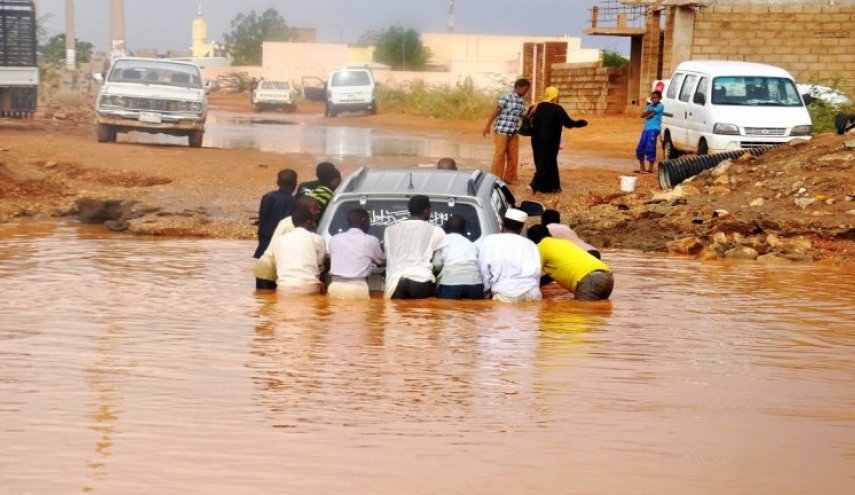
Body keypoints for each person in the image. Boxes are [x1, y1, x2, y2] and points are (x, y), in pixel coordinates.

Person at [382, 195, 446, 299]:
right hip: (421, 281)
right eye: (430, 209)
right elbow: (438, 262)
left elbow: (388, 255)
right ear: (425, 210)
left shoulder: (389, 231)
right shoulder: (436, 231)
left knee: (397, 315)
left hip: (395, 282)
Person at [527, 225, 614, 301]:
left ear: (532, 240)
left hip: (589, 280)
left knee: (583, 315)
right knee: (599, 314)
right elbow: (554, 274)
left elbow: (533, 274)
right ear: (550, 234)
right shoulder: (565, 242)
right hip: (607, 277)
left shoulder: (540, 247)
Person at [527, 86, 588, 194]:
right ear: (555, 96)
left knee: (542, 161)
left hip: (536, 140)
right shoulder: (556, 108)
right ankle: (534, 185)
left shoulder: (535, 106)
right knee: (547, 163)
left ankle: (552, 186)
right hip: (550, 141)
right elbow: (569, 123)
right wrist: (581, 123)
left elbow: (528, 120)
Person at [254, 195, 322, 290]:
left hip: (265, 265)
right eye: (315, 208)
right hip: (270, 268)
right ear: (304, 210)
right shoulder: (296, 225)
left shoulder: (287, 220)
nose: (318, 211)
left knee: (267, 301)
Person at [475, 208, 541, 303]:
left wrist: (486, 293)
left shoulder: (490, 241)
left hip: (505, 295)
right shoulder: (531, 245)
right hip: (532, 293)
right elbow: (537, 273)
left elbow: (484, 270)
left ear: (502, 224)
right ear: (522, 228)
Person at [327, 208, 386, 299]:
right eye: (369, 221)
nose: (369, 225)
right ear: (363, 220)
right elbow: (381, 261)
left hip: (335, 287)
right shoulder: (371, 240)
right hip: (357, 288)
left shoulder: (335, 239)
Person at [269, 204, 327, 296]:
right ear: (308, 222)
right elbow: (320, 262)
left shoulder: (279, 241)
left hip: (284, 287)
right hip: (309, 287)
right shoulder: (317, 239)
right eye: (313, 222)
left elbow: (277, 264)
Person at [483, 78, 531, 184]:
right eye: (525, 89)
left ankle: (510, 177)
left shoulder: (522, 101)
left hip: (513, 132)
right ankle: (495, 177)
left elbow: (523, 115)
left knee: (513, 156)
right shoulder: (506, 97)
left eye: (528, 90)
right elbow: (496, 111)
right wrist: (487, 126)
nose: (526, 92)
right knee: (499, 155)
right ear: (518, 88)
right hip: (502, 131)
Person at [432, 214, 484, 300]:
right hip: (475, 283)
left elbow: (437, 264)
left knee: (447, 313)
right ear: (464, 229)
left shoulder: (443, 241)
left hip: (450, 283)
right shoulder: (471, 244)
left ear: (446, 227)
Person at [253, 169, 297, 259]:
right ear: (295, 183)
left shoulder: (267, 197)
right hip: (282, 243)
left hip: (265, 242)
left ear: (278, 182)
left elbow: (262, 219)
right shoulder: (294, 201)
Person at [636, 90, 664, 174]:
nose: (653, 99)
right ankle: (642, 167)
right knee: (641, 147)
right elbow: (642, 115)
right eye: (652, 98)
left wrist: (648, 113)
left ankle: (651, 168)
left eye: (655, 98)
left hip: (654, 128)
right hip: (646, 129)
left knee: (650, 147)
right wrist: (649, 112)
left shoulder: (660, 105)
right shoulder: (650, 105)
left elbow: (650, 115)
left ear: (659, 98)